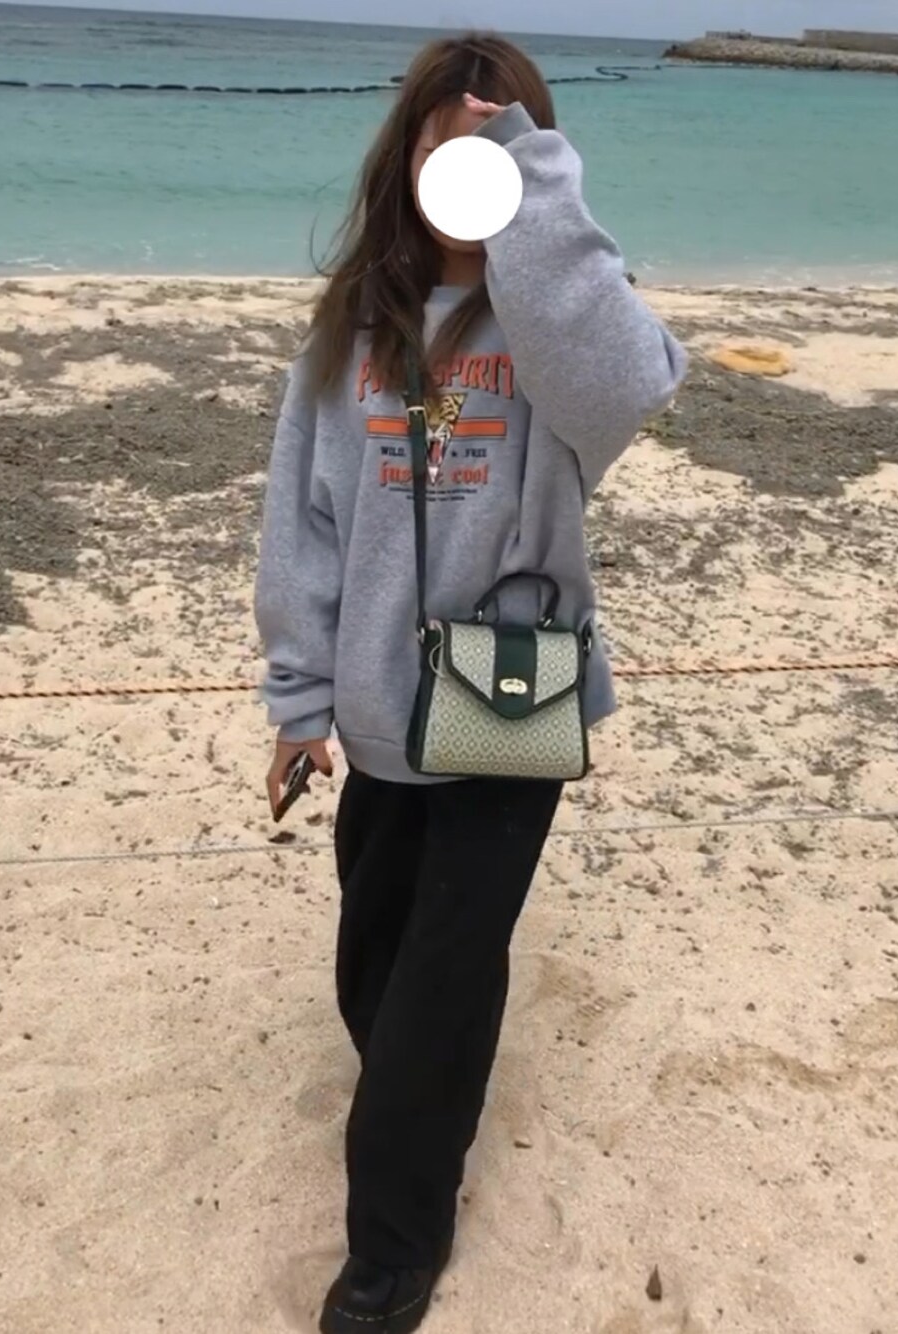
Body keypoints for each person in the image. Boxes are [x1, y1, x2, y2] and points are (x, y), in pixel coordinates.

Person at [254, 31, 687, 1334]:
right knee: (379, 964)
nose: (467, 174)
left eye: (495, 152)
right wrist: (297, 703)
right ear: (405, 163)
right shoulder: (353, 331)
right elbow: (303, 525)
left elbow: (635, 380)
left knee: (442, 973)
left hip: (512, 698)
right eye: (446, 149)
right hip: (381, 708)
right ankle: (423, 1089)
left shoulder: (560, 339)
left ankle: (393, 1249)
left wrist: (528, 178)